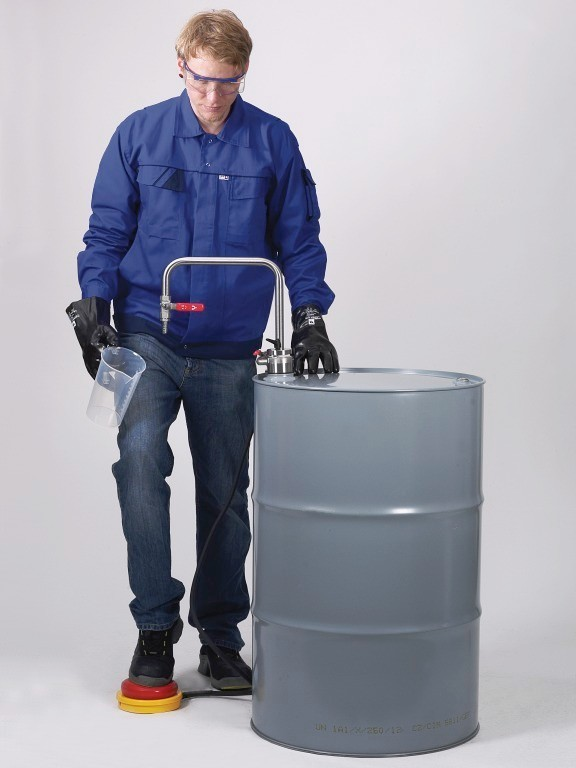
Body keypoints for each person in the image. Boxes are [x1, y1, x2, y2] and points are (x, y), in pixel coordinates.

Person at [66, 9, 338, 691]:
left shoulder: (272, 141)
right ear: (180, 65)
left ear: (244, 74)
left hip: (230, 345)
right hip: (147, 335)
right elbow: (106, 231)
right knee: (138, 462)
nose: (213, 96)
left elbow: (299, 239)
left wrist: (310, 317)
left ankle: (219, 636)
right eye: (201, 80)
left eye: (228, 82)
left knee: (225, 493)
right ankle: (155, 625)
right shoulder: (139, 134)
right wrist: (94, 304)